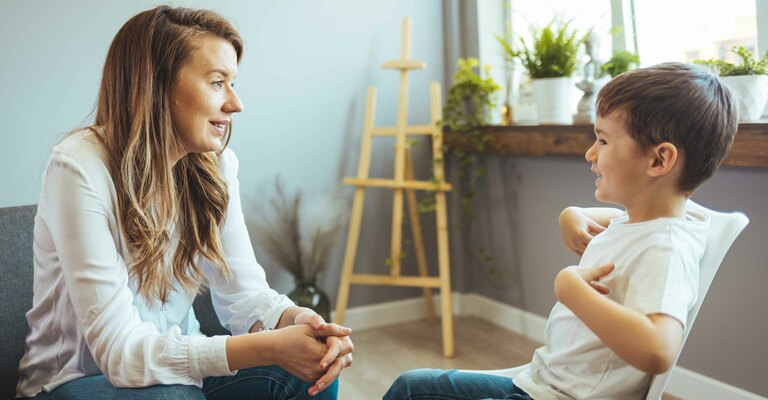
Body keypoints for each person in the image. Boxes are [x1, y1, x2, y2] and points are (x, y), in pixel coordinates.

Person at [16, 6, 353, 399]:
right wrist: (267, 347)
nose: (235, 103)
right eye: (217, 83)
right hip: (73, 380)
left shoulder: (216, 166)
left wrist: (294, 320)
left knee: (311, 373)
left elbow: (243, 294)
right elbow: (119, 353)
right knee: (173, 397)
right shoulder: (77, 168)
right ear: (156, 86)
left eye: (233, 83)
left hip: (181, 374)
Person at [384, 62, 738, 399]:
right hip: (539, 383)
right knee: (411, 387)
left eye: (603, 140)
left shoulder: (665, 249)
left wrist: (570, 289)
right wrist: (571, 214)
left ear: (659, 160)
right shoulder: (643, 220)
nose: (590, 153)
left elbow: (658, 351)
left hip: (565, 396)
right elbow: (607, 220)